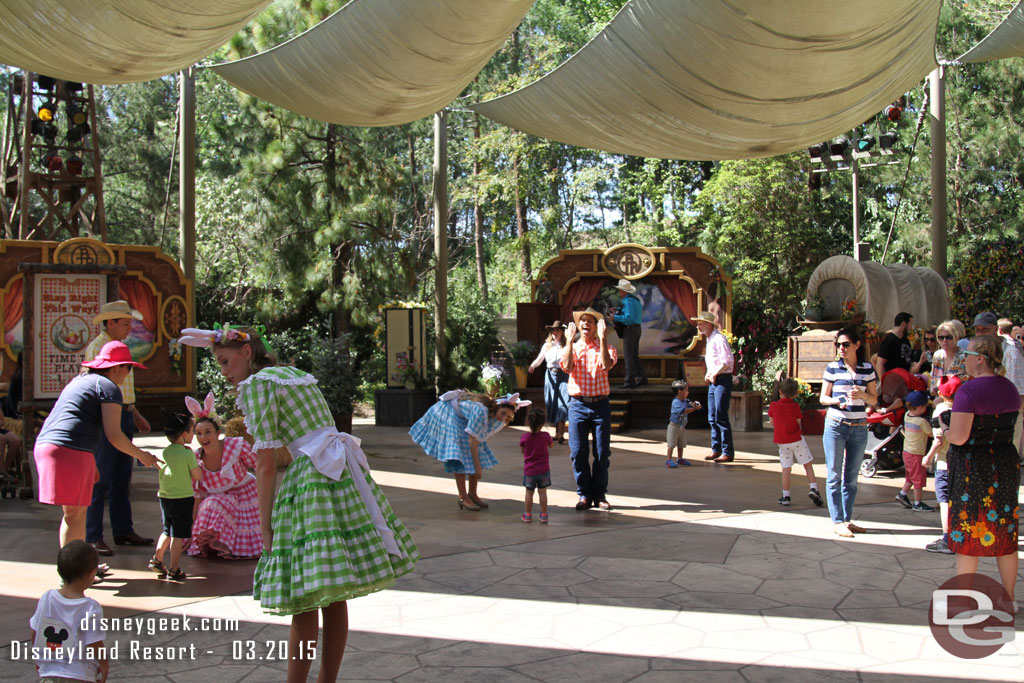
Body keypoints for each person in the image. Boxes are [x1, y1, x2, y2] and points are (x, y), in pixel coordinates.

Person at [179, 324, 419, 683]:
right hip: (338, 476)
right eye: (219, 363)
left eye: (225, 361)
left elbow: (264, 464)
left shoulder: (258, 385)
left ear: (247, 353)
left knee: (304, 594)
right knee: (334, 593)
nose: (224, 371)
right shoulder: (291, 374)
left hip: (310, 480)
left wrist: (265, 528)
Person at [34, 341, 157, 550]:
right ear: (117, 367)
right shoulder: (108, 387)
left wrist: (92, 462)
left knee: (75, 514)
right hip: (68, 450)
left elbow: (79, 422)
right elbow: (114, 435)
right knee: (75, 515)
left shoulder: (80, 381)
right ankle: (71, 572)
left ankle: (80, 563)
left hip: (49, 446)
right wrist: (142, 455)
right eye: (129, 367)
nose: (128, 373)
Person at [942, 334, 1020, 613]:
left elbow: (960, 437)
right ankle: (1008, 599)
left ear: (980, 359)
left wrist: (944, 429)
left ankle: (964, 602)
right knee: (1005, 534)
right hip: (1004, 465)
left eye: (968, 353)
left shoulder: (969, 391)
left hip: (973, 468)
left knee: (967, 534)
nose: (964, 358)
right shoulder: (1010, 388)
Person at [83, 301, 153, 556]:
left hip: (123, 413)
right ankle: (92, 535)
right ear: (110, 322)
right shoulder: (97, 347)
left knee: (122, 478)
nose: (129, 328)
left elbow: (122, 389)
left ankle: (123, 529)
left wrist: (134, 413)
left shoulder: (120, 348)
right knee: (100, 476)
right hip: (106, 416)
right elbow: (94, 386)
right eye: (124, 323)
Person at [411, 390, 528, 510]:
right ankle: (463, 497)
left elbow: (477, 440)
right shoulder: (481, 412)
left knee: (477, 450)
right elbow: (472, 441)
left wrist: (477, 464)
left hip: (463, 418)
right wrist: (477, 467)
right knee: (460, 454)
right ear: (497, 407)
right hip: (450, 413)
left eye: (508, 416)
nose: (504, 417)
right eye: (503, 413)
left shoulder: (495, 417)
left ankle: (472, 494)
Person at [185, 393, 263, 559]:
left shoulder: (235, 446)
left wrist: (266, 496)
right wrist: (191, 529)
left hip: (245, 496)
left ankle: (228, 546)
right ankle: (211, 544)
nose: (203, 437)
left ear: (217, 432)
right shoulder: (196, 458)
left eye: (207, 432)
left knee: (216, 503)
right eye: (198, 433)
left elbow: (259, 466)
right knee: (211, 503)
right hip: (218, 502)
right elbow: (197, 495)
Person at [820, 325, 879, 538]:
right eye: (838, 345)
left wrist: (862, 396)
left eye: (845, 344)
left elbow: (874, 399)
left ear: (857, 345)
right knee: (834, 474)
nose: (841, 348)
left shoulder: (867, 369)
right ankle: (837, 520)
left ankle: (846, 519)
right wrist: (837, 400)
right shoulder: (832, 368)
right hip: (836, 424)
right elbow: (822, 398)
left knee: (852, 476)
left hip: (859, 426)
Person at [561, 307, 618, 510]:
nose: (585, 324)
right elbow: (567, 367)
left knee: (602, 454)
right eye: (582, 321)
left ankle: (600, 495)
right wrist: (568, 342)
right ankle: (584, 494)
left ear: (596, 327)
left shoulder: (608, 347)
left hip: (600, 405)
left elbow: (605, 365)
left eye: (590, 321)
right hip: (577, 405)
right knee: (578, 452)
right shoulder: (572, 347)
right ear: (578, 326)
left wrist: (602, 339)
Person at [29, 541, 108, 683]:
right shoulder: (91, 608)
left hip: (49, 673)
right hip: (78, 674)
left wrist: (38, 656)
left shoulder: (47, 598)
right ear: (92, 574)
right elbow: (94, 644)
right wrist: (103, 664)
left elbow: (35, 631)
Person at [148, 411, 201, 582]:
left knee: (167, 530)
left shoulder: (166, 452)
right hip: (183, 498)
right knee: (178, 535)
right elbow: (197, 476)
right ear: (184, 435)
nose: (193, 435)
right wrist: (198, 465)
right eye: (192, 432)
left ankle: (157, 559)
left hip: (165, 497)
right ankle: (174, 568)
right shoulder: (188, 454)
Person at [768, 378, 822, 507]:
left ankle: (786, 495)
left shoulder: (773, 406)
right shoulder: (795, 406)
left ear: (780, 391)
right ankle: (813, 487)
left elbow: (771, 422)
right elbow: (798, 421)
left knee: (786, 468)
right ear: (795, 394)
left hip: (782, 442)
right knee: (807, 464)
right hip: (797, 439)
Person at [924, 375, 962, 554]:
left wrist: (928, 457)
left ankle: (948, 539)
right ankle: (960, 536)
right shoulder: (965, 409)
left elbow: (938, 439)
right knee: (959, 502)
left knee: (945, 502)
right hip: (962, 464)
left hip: (945, 463)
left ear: (940, 393)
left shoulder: (939, 411)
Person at [692, 311, 735, 463]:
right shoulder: (710, 339)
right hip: (715, 379)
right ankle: (716, 449)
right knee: (712, 417)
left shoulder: (718, 339)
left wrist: (715, 374)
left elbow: (727, 361)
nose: (698, 327)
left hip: (722, 379)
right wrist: (709, 373)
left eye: (701, 324)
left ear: (709, 325)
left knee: (721, 415)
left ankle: (727, 451)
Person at [527, 320, 570, 444]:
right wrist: (532, 366)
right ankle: (557, 433)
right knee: (552, 402)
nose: (555, 332)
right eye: (553, 330)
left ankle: (561, 433)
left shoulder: (567, 345)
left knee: (563, 401)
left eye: (558, 330)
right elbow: (540, 359)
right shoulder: (547, 346)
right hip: (550, 374)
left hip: (564, 374)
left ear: (562, 332)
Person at [893, 391, 935, 512]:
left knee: (911, 476)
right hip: (917, 454)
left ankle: (902, 494)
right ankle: (918, 503)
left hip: (907, 452)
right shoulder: (921, 422)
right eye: (926, 406)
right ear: (921, 407)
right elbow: (931, 433)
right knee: (919, 479)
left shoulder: (907, 415)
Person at [611, 278, 646, 388]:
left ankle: (629, 381)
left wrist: (614, 317)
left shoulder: (628, 301)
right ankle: (642, 378)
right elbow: (631, 314)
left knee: (629, 356)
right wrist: (618, 310)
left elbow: (629, 318)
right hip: (636, 329)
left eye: (620, 290)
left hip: (630, 329)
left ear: (623, 291)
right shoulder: (635, 300)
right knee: (634, 355)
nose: (619, 292)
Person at [520, 407, 552, 523]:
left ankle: (527, 514)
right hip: (543, 469)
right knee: (542, 492)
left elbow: (523, 451)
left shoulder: (525, 437)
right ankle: (544, 514)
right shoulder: (546, 436)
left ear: (528, 421)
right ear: (543, 423)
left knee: (529, 493)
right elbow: (551, 446)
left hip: (529, 470)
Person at [929, 320, 969, 396]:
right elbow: (934, 380)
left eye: (949, 337)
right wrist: (933, 389)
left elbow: (968, 382)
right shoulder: (938, 355)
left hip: (961, 395)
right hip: (941, 395)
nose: (945, 340)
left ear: (956, 338)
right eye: (941, 337)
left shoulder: (964, 356)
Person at [665, 379, 699, 468]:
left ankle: (680, 458)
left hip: (682, 426)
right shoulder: (676, 402)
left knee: (681, 443)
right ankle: (668, 460)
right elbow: (684, 411)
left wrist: (696, 404)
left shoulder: (685, 401)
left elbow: (691, 404)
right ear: (680, 392)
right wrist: (694, 409)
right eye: (686, 390)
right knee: (672, 443)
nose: (688, 392)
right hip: (674, 426)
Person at [874, 312, 914, 379]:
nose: (911, 328)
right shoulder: (889, 341)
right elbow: (880, 364)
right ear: (903, 324)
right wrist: (884, 382)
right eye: (910, 324)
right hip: (893, 381)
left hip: (905, 380)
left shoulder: (905, 340)